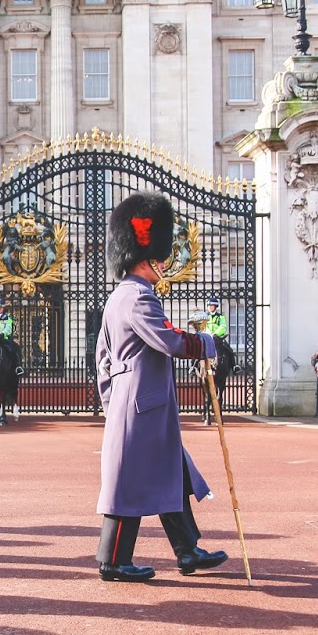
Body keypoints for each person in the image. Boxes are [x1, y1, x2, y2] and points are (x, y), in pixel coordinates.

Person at [94, 192, 227, 583]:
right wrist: (206, 343)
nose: (164, 265)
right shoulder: (137, 296)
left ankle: (187, 551)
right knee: (129, 480)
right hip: (143, 404)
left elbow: (102, 359)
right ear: (146, 257)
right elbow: (168, 340)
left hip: (133, 401)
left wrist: (111, 401)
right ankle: (113, 560)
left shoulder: (119, 297)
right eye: (161, 258)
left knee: (173, 471)